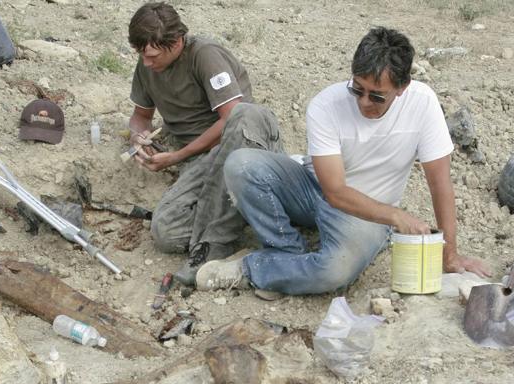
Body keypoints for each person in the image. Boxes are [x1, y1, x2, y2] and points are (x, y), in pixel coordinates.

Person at [195, 26, 491, 296]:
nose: (363, 102)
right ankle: (287, 256)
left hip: (367, 212)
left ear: (402, 88)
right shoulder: (326, 105)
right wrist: (399, 217)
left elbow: (440, 184)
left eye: (377, 96)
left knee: (335, 270)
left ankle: (252, 269)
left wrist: (449, 255)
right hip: (314, 189)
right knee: (241, 164)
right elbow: (334, 191)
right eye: (357, 89)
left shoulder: (423, 104)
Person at [126, 2, 282, 285]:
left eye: (151, 55)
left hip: (236, 146)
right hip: (196, 161)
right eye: (141, 54)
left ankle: (213, 244)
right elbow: (140, 117)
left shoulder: (205, 55)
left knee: (245, 118)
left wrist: (177, 156)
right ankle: (241, 212)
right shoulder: (147, 62)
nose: (146, 63)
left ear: (175, 43)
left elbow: (233, 116)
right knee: (166, 233)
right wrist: (139, 136)